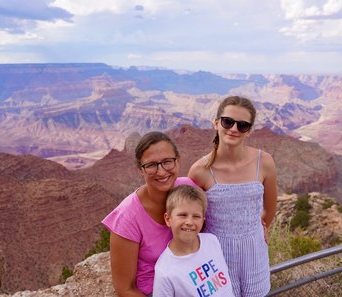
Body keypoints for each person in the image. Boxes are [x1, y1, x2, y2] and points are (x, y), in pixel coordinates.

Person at [188, 96, 278, 297]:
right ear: (217, 122)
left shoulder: (264, 162)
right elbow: (191, 218)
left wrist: (257, 228)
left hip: (254, 253)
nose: (234, 129)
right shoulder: (200, 171)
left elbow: (270, 208)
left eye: (243, 125)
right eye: (228, 121)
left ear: (250, 130)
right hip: (216, 257)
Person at [102, 131, 197, 297]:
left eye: (167, 162)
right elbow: (125, 289)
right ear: (140, 169)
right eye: (151, 165)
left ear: (178, 161)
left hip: (192, 282)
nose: (161, 172)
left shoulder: (189, 190)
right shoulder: (128, 218)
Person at [153, 185, 235, 297]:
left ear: (203, 220)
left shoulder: (212, 241)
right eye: (183, 215)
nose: (189, 222)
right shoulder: (165, 270)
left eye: (196, 216)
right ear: (168, 219)